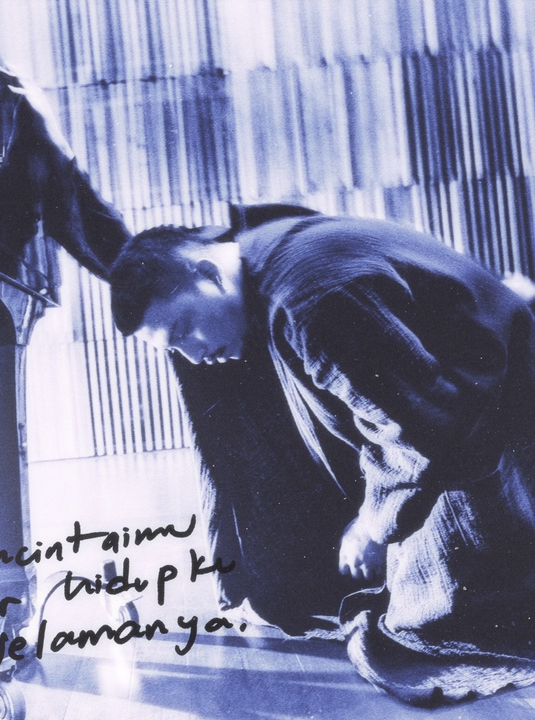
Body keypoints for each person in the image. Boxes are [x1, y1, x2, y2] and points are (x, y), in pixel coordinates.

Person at [108, 213, 535, 705]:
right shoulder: (263, 250)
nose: (193, 356)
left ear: (206, 273)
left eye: (184, 329)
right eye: (175, 349)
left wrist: (373, 526)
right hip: (483, 381)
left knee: (430, 625)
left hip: (504, 408)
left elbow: (420, 431)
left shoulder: (307, 300)